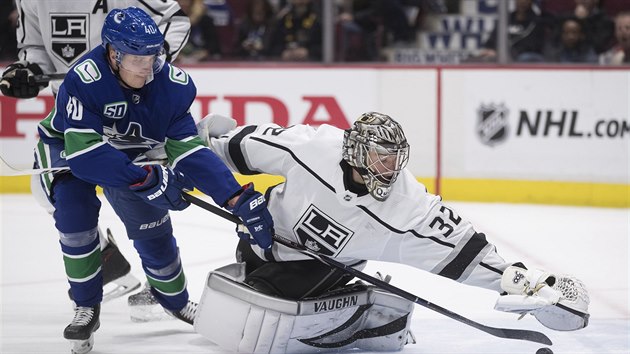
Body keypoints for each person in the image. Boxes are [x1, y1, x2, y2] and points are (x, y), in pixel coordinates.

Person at [190, 112, 590, 352]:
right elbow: (240, 145)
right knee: (256, 285)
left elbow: (463, 247)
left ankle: (357, 302)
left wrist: (524, 282)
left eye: (395, 159)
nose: (390, 168)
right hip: (258, 241)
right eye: (381, 158)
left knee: (270, 302)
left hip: (316, 270)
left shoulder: (408, 205)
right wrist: (189, 149)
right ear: (356, 153)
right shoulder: (314, 147)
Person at [29, 7, 274, 354]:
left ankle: (175, 302)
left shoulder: (173, 86)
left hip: (131, 155)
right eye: (137, 57)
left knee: (152, 228)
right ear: (113, 53)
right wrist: (146, 179)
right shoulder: (84, 79)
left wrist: (234, 196)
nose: (148, 65)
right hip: (69, 148)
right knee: (74, 211)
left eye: (153, 54)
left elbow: (187, 148)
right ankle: (86, 305)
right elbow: (86, 156)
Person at [0, 0, 192, 304]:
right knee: (47, 190)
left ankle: (163, 284)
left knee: (143, 202)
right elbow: (35, 45)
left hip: (129, 109)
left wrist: (145, 61)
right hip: (76, 113)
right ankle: (109, 264)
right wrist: (28, 70)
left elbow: (176, 20)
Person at [477, 0, 548, 62]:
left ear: (531, 1)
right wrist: (491, 50)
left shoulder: (537, 22)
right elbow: (492, 39)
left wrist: (506, 52)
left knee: (524, 57)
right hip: (501, 56)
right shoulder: (507, 19)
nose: (522, 2)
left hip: (524, 57)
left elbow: (533, 46)